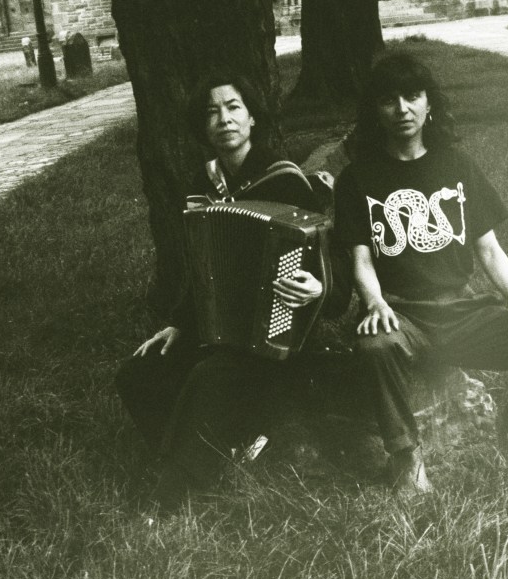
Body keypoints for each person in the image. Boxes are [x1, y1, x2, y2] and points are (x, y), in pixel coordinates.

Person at [332, 52, 508, 495]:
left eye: (412, 96)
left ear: (429, 103)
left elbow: (488, 248)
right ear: (375, 110)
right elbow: (362, 259)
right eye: (389, 100)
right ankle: (406, 458)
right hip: (402, 315)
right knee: (376, 345)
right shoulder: (356, 179)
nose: (402, 109)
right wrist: (374, 303)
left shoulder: (457, 166)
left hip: (463, 312)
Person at [116, 72, 344, 507]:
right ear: (203, 128)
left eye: (233, 107)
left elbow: (332, 266)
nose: (223, 119)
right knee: (137, 373)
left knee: (210, 374)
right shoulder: (202, 186)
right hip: (218, 331)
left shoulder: (286, 181)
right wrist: (180, 324)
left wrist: (318, 288)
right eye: (211, 112)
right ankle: (221, 455)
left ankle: (174, 491)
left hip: (280, 337)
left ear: (252, 118)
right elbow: (204, 269)